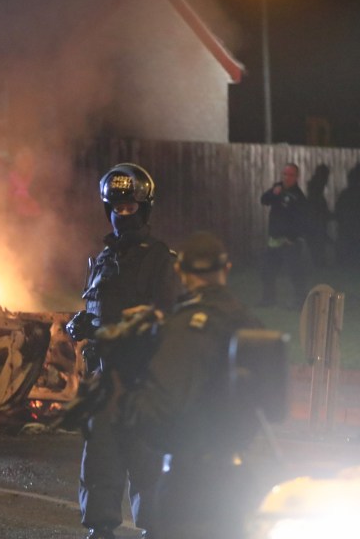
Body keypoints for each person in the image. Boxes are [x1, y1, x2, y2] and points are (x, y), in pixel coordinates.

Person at [114, 231, 267, 539]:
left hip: (189, 484)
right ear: (226, 270)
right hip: (238, 480)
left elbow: (159, 409)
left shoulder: (182, 328)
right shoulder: (249, 323)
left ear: (181, 273)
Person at [64, 163, 180, 539]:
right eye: (116, 208)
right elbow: (101, 311)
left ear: (144, 209)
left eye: (130, 207)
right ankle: (100, 530)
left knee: (148, 466)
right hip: (104, 384)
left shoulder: (160, 260)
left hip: (142, 382)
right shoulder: (102, 261)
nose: (123, 215)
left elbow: (160, 324)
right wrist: (82, 324)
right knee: (100, 465)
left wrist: (103, 329)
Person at [258, 163, 308, 309]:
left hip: (289, 241)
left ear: (296, 177)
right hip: (275, 239)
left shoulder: (298, 196)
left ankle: (299, 301)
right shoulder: (277, 188)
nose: (287, 177)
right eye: (285, 174)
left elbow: (302, 220)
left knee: (294, 272)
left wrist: (292, 238)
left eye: (291, 175)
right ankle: (268, 299)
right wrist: (273, 193)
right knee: (268, 270)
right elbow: (264, 200)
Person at [334, 162, 360, 266]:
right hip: (349, 230)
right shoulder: (354, 195)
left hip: (352, 230)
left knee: (352, 257)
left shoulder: (355, 195)